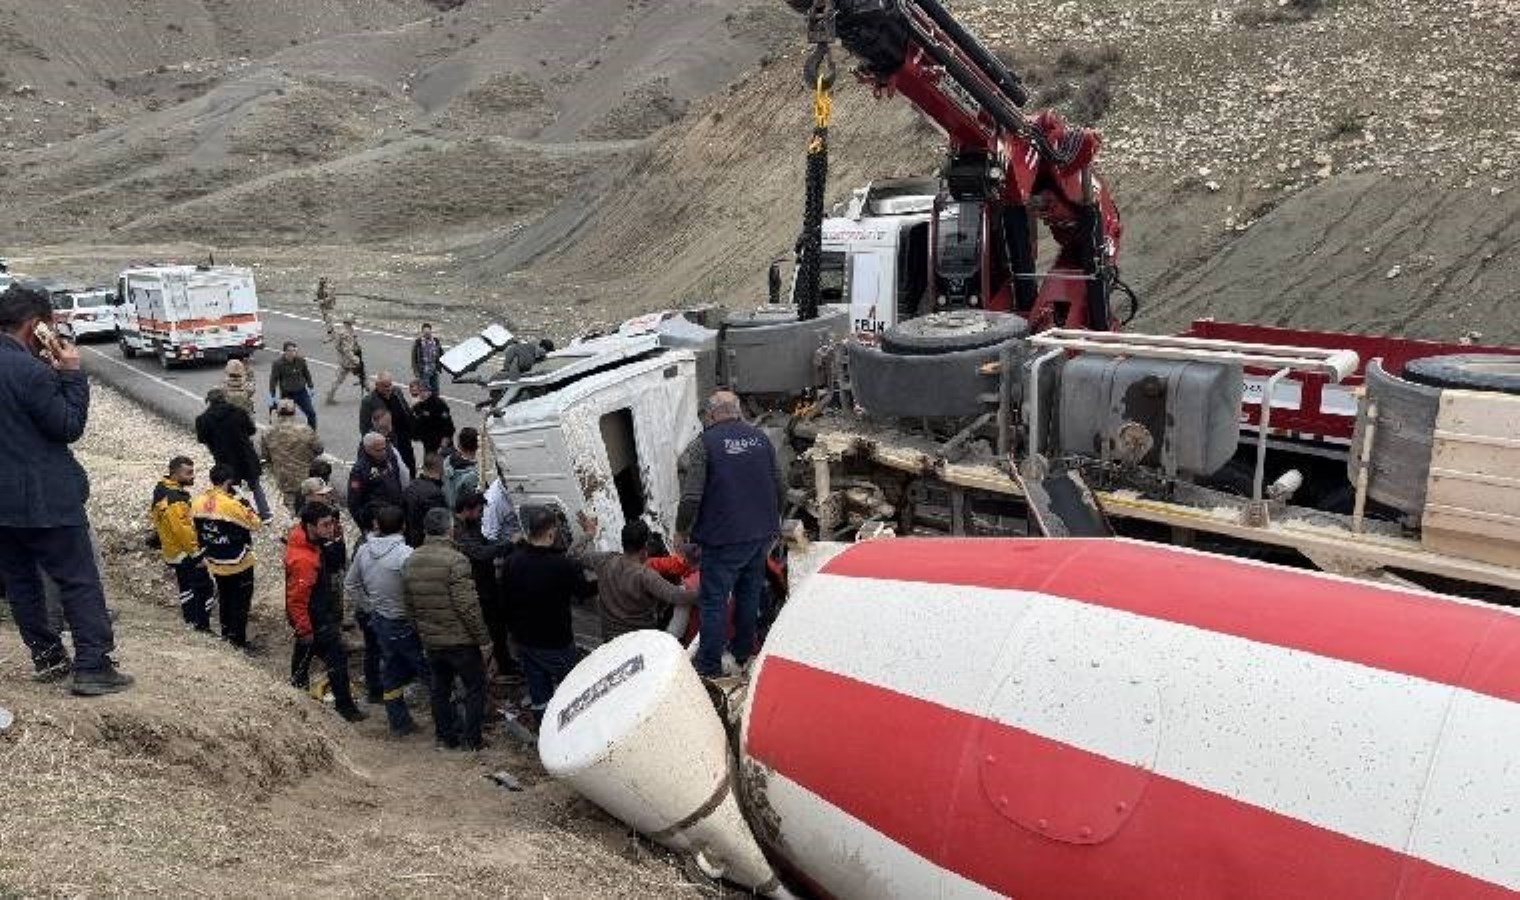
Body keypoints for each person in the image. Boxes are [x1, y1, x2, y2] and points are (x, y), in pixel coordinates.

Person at [0, 283, 132, 695]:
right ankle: (93, 665)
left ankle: (47, 656)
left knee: (21, 580)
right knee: (77, 577)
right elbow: (67, 426)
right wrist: (72, 374)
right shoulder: (31, 372)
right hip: (45, 496)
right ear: (36, 326)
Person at [676, 391, 785, 678]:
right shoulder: (761, 439)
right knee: (748, 594)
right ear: (737, 411)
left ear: (711, 414)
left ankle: (709, 666)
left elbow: (690, 497)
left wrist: (680, 530)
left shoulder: (705, 444)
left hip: (724, 540)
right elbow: (780, 483)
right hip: (760, 536)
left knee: (713, 602)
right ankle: (742, 651)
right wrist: (775, 519)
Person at [403, 507, 490, 750]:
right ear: (450, 530)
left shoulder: (411, 560)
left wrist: (422, 632)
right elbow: (467, 606)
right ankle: (472, 741)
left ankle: (445, 737)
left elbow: (408, 605)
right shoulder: (456, 560)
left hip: (432, 641)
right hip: (460, 641)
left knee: (440, 689)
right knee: (475, 687)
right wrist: (484, 639)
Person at [501, 506, 596, 718]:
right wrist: (606, 578)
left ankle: (544, 734)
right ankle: (572, 735)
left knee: (539, 695)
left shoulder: (511, 562)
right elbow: (584, 591)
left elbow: (505, 601)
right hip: (557, 642)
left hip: (525, 641)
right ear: (551, 533)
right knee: (571, 691)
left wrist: (513, 635)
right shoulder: (561, 565)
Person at [345, 504, 426, 736]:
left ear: (376, 525)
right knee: (427, 669)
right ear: (403, 526)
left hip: (380, 621)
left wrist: (370, 607)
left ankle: (399, 723)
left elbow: (351, 584)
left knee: (390, 670)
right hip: (405, 622)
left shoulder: (364, 551)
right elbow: (417, 592)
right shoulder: (406, 554)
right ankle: (451, 721)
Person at [286, 503, 365, 722]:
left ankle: (295, 692)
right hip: (314, 617)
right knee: (336, 659)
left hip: (313, 614)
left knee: (303, 654)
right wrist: (304, 628)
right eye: (326, 525)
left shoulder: (307, 540)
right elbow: (297, 599)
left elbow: (335, 561)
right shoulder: (304, 560)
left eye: (332, 523)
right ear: (311, 526)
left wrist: (336, 539)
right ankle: (346, 708)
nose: (331, 528)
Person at [575, 514, 697, 643]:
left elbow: (574, 554)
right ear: (646, 546)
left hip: (610, 641)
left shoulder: (604, 560)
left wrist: (589, 533)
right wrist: (707, 592)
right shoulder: (645, 576)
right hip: (639, 642)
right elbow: (677, 596)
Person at [191, 463, 262, 650]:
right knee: (240, 603)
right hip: (239, 562)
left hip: (215, 560)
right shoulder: (232, 505)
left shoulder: (197, 501)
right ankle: (238, 640)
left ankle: (226, 634)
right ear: (229, 482)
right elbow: (256, 523)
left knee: (224, 598)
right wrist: (245, 502)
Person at [452, 489, 513, 679]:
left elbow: (485, 543)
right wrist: (509, 544)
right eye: (479, 511)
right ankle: (500, 666)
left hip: (486, 583)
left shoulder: (470, 524)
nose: (481, 515)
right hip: (478, 588)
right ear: (467, 510)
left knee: (499, 626)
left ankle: (505, 663)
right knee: (493, 628)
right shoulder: (458, 530)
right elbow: (479, 552)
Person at [150, 456, 215, 633]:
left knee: (186, 586)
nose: (192, 476)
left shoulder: (161, 488)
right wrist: (197, 555)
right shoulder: (176, 499)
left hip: (172, 550)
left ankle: (190, 619)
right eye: (188, 473)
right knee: (205, 587)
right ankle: (201, 625)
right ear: (175, 473)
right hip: (183, 552)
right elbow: (183, 530)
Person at [195, 387, 272, 523]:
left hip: (223, 458)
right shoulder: (239, 412)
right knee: (255, 485)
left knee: (229, 487)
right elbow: (251, 430)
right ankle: (265, 514)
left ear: (209, 401)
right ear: (225, 398)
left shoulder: (202, 419)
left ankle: (240, 514)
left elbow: (202, 439)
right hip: (245, 454)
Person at [263, 398, 324, 513]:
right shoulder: (305, 430)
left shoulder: (268, 432)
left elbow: (265, 457)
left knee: (286, 510)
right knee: (303, 509)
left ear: (277, 412)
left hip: (280, 479)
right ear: (294, 412)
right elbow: (319, 449)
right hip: (302, 478)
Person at [347, 432, 406, 532]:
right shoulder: (360, 470)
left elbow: (397, 480)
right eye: (378, 450)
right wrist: (365, 525)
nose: (383, 452)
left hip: (395, 516)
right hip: (377, 523)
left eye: (384, 448)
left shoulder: (390, 457)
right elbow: (354, 503)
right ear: (368, 449)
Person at [360, 372, 416, 476]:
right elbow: (364, 427)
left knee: (409, 464)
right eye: (385, 386)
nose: (389, 388)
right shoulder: (368, 401)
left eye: (390, 384)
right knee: (394, 469)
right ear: (377, 386)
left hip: (403, 437)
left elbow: (406, 410)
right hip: (386, 441)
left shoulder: (397, 392)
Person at [402, 452, 447, 548]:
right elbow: (437, 523)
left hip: (409, 538)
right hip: (424, 542)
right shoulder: (435, 494)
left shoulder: (411, 486)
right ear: (440, 469)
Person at [269, 341, 318, 429]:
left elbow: (306, 374)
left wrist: (311, 387)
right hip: (287, 395)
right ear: (285, 352)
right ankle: (283, 436)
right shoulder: (278, 364)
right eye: (290, 351)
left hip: (301, 393)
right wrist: (272, 395)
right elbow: (273, 380)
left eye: (294, 350)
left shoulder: (301, 361)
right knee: (285, 418)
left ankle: (312, 434)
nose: (293, 353)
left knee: (311, 413)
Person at [324, 316, 366, 405]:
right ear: (350, 322)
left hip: (343, 360)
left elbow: (338, 344)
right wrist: (356, 360)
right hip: (350, 361)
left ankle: (329, 396)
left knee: (338, 379)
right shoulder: (346, 334)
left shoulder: (340, 331)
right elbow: (347, 350)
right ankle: (374, 396)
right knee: (363, 377)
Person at [409, 380, 455, 459]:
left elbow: (449, 426)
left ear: (426, 391)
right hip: (428, 443)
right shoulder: (418, 405)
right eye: (413, 394)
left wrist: (443, 445)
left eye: (418, 392)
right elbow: (416, 422)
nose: (416, 396)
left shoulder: (438, 404)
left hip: (440, 445)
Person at [442, 426, 481, 511]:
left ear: (459, 445)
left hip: (447, 507)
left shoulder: (447, 461)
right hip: (462, 514)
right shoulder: (474, 475)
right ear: (478, 446)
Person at [410, 323, 444, 394]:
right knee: (425, 391)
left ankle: (435, 403)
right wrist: (416, 372)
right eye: (425, 333)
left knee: (435, 390)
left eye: (428, 333)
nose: (427, 335)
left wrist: (440, 367)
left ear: (431, 331)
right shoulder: (418, 343)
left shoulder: (436, 341)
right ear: (422, 332)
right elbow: (414, 359)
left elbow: (441, 354)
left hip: (434, 370)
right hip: (423, 371)